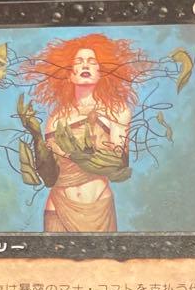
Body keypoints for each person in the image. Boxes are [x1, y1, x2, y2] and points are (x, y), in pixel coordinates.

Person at [19, 34, 148, 232]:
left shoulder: (117, 111)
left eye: (92, 62)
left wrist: (83, 155)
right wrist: (35, 135)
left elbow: (119, 168)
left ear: (101, 72)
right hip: (56, 206)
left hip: (97, 207)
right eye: (78, 62)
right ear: (69, 75)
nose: (85, 65)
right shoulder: (56, 117)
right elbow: (49, 178)